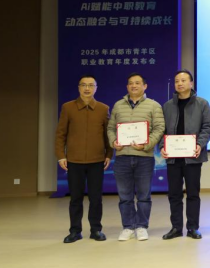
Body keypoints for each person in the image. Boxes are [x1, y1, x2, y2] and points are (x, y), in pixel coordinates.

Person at [54, 75, 113, 243]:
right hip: (74, 160)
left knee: (96, 198)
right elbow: (60, 134)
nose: (87, 88)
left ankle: (96, 230)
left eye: (91, 85)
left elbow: (107, 135)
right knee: (75, 198)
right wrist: (61, 156)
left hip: (97, 161)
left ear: (96, 88)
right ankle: (75, 231)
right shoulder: (68, 108)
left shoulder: (103, 109)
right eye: (84, 85)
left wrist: (109, 154)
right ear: (79, 87)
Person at [107, 73, 165, 242]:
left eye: (137, 83)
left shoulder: (154, 105)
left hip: (144, 157)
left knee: (143, 196)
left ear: (144, 86)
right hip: (122, 157)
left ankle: (141, 226)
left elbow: (159, 128)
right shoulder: (118, 105)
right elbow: (111, 128)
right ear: (127, 87)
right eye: (131, 83)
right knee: (124, 196)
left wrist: (146, 145)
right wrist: (113, 142)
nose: (134, 86)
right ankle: (128, 227)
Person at [160, 69, 210, 240]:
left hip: (193, 157)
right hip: (173, 157)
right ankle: (176, 227)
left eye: (183, 80)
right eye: (177, 81)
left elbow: (207, 127)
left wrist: (199, 144)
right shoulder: (167, 106)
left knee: (193, 193)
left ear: (191, 83)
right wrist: (162, 146)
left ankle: (192, 227)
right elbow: (161, 130)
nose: (180, 84)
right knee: (174, 194)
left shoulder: (202, 104)